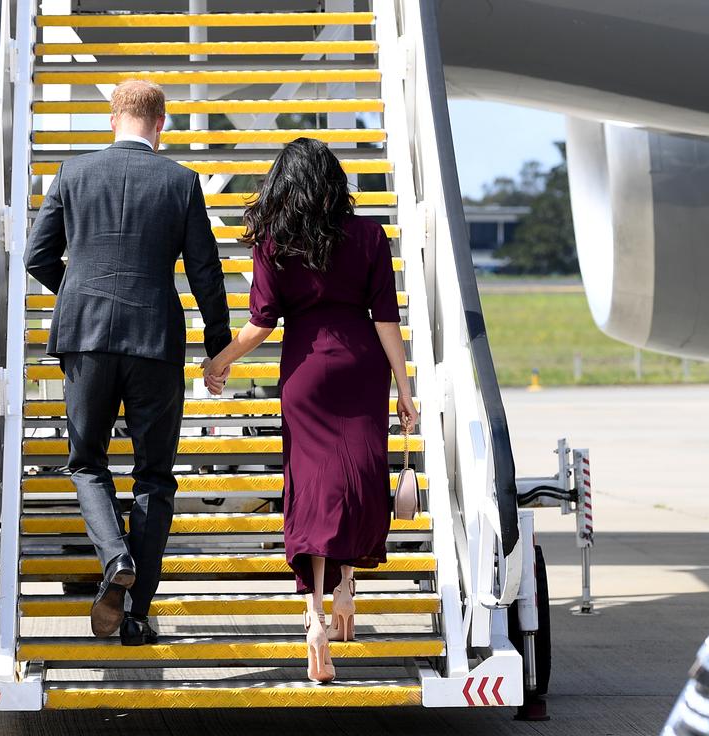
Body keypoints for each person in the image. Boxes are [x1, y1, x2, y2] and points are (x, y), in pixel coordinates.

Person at [203, 138, 419, 684]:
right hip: (360, 366)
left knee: (314, 485)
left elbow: (261, 323)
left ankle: (315, 612)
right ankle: (349, 585)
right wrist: (404, 386)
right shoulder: (370, 236)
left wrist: (220, 361)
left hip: (305, 371)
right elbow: (387, 320)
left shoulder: (273, 241)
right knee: (358, 478)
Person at [25, 80, 231, 646]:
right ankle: (137, 613)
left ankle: (115, 559)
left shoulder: (72, 174)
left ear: (111, 118)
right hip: (155, 340)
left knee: (87, 460)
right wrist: (219, 345)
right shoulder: (182, 182)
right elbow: (205, 272)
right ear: (160, 122)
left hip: (86, 339)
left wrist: (79, 294)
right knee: (154, 477)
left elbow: (36, 255)